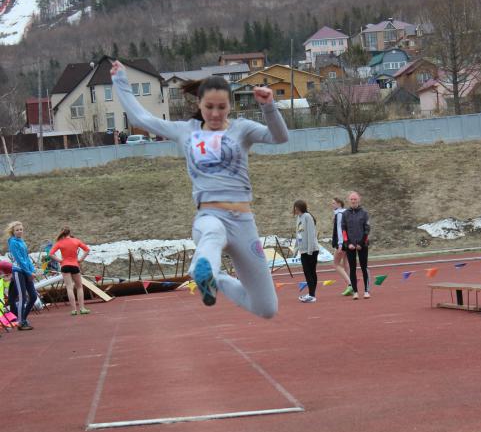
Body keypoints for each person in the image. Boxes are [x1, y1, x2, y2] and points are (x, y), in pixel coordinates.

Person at [110, 60, 289, 318]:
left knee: (266, 308)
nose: (215, 114)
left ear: (230, 106)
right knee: (213, 234)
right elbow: (141, 118)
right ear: (199, 105)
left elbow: (280, 137)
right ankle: (203, 269)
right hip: (209, 217)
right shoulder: (186, 132)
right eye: (209, 107)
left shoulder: (242, 129)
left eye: (221, 108)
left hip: (243, 223)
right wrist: (121, 82)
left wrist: (269, 106)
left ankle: (215, 279)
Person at [4, 221, 38, 330]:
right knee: (23, 296)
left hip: (27, 271)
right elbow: (19, 259)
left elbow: (26, 258)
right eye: (17, 230)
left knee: (33, 296)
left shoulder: (22, 242)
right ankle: (20, 322)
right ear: (13, 232)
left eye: (21, 229)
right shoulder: (12, 242)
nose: (19, 231)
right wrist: (29, 272)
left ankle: (22, 318)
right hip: (18, 271)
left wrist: (32, 270)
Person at [49, 227, 91, 315]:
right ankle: (82, 308)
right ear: (70, 233)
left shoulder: (59, 242)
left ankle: (73, 310)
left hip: (65, 265)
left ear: (62, 233)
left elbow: (51, 254)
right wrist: (81, 259)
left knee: (69, 287)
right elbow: (87, 249)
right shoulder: (76, 240)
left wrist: (60, 260)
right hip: (75, 265)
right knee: (79, 287)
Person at [341, 191, 371, 300]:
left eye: (355, 199)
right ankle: (355, 292)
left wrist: (361, 243)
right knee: (352, 268)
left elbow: (367, 229)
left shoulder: (364, 213)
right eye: (351, 199)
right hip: (350, 246)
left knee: (364, 267)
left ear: (359, 200)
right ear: (349, 201)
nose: (353, 201)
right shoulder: (345, 214)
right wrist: (348, 244)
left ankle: (367, 291)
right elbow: (343, 230)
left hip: (362, 245)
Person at [294, 199, 320, 303]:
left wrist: (309, 251)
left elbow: (311, 234)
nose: (295, 209)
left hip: (311, 250)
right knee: (307, 272)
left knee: (310, 272)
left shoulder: (307, 217)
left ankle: (312, 295)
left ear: (300, 207)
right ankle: (311, 294)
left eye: (296, 207)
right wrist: (296, 249)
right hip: (303, 250)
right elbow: (298, 235)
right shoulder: (298, 218)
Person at [331, 196, 353, 296]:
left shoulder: (339, 214)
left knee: (335, 264)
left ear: (339, 204)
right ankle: (351, 286)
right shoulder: (345, 212)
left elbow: (340, 230)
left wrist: (340, 244)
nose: (332, 205)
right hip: (348, 241)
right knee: (346, 264)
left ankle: (350, 285)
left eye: (333, 203)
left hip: (342, 242)